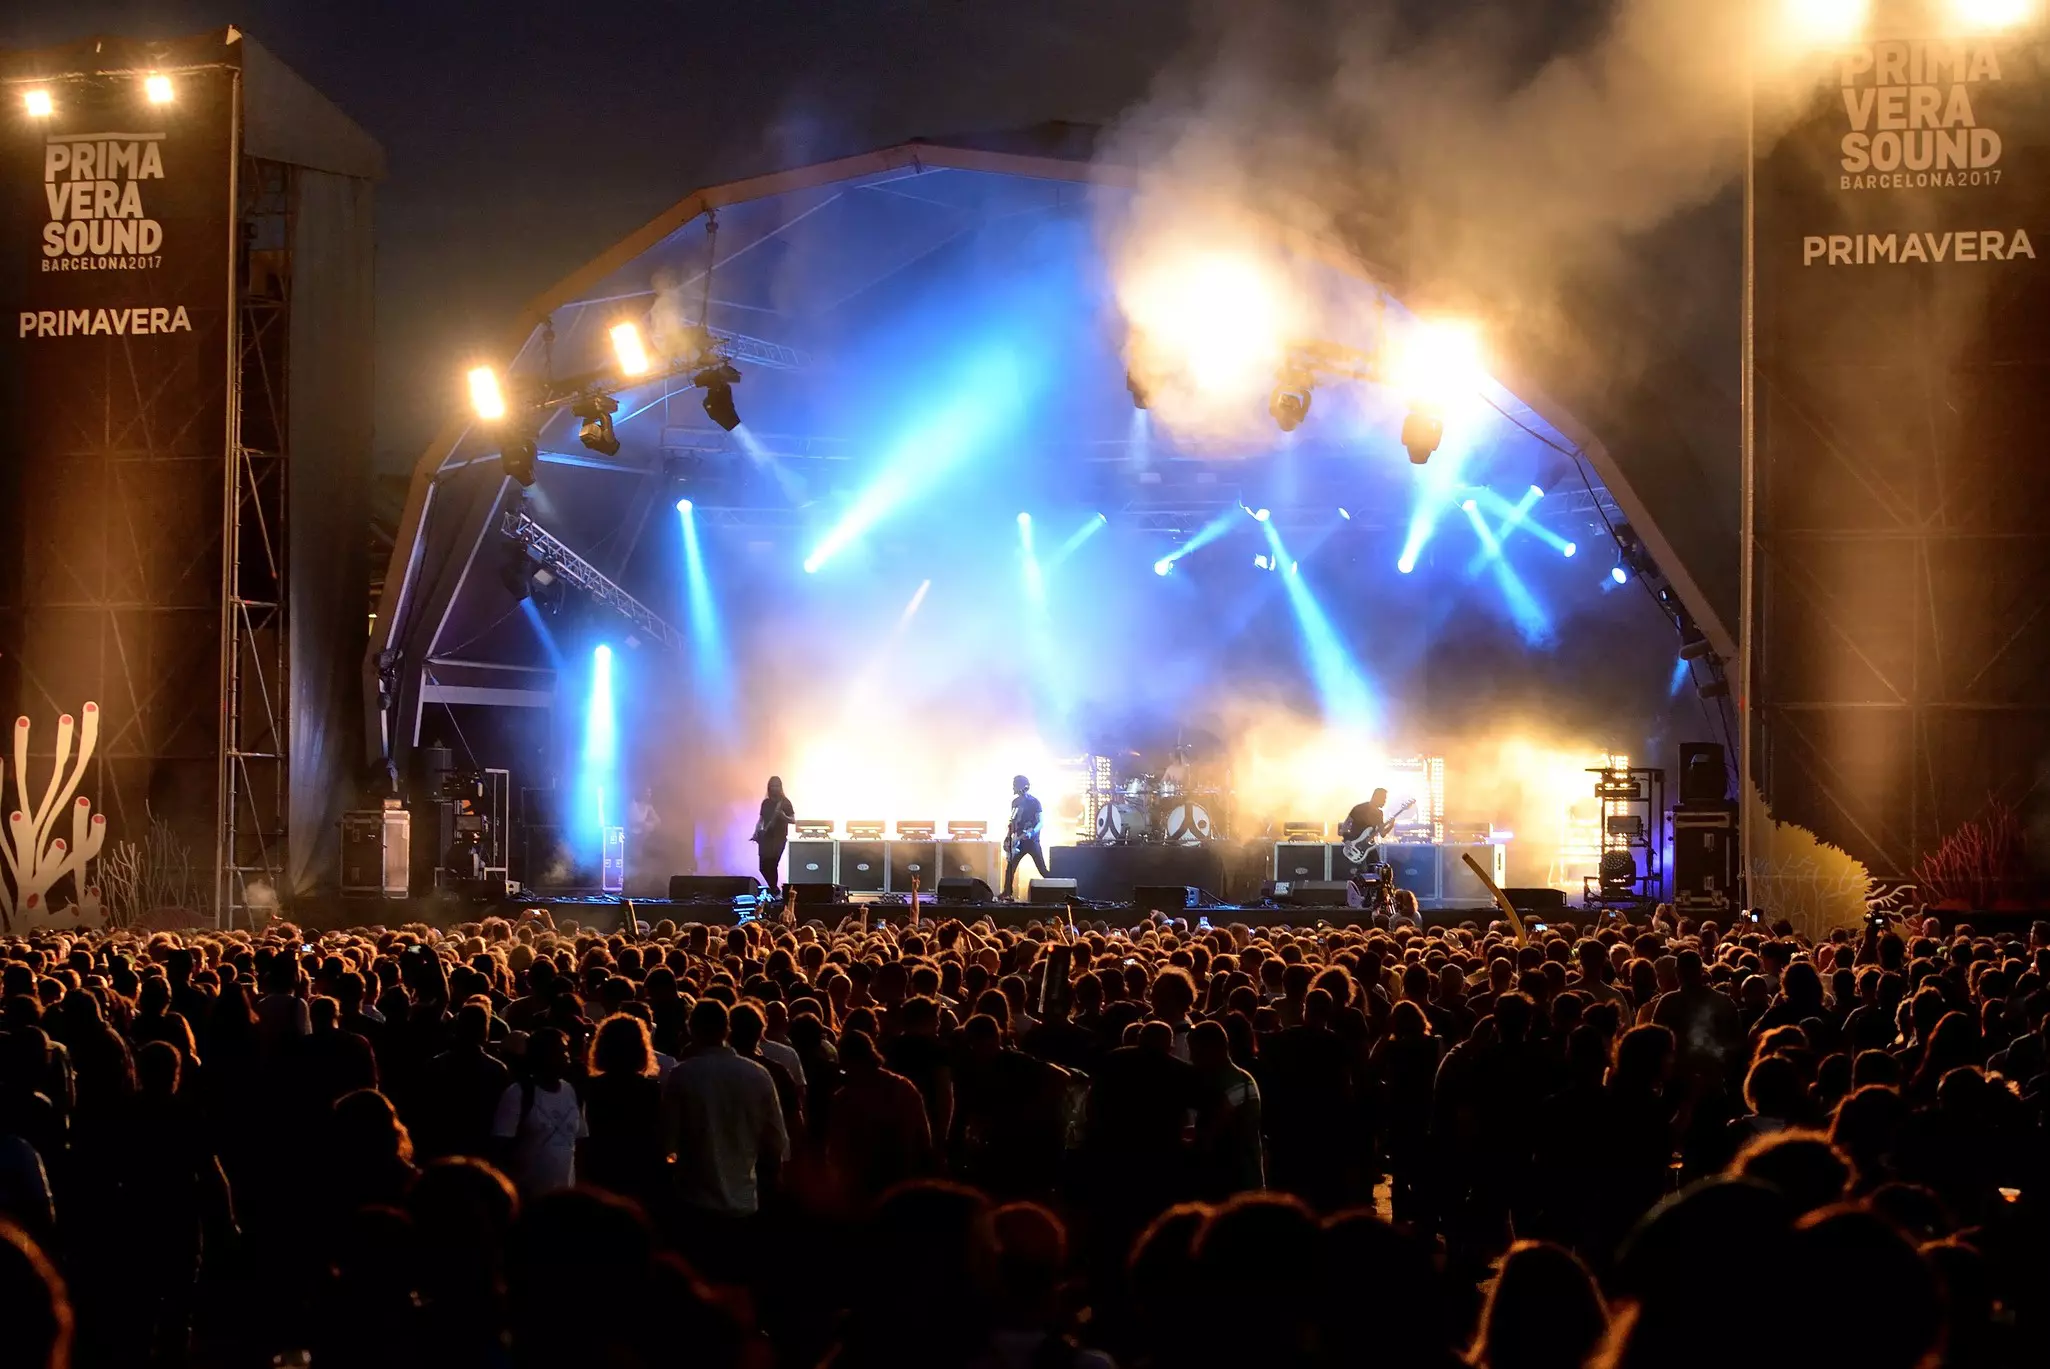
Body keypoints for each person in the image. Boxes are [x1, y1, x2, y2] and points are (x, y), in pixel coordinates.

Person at [662, 998, 788, 1259]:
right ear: (726, 1029)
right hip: (745, 1200)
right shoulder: (758, 1074)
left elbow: (667, 1142)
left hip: (694, 1200)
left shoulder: (682, 1075)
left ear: (691, 1028)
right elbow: (776, 1141)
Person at [489, 1027, 585, 1198]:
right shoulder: (518, 1093)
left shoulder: (571, 1091)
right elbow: (500, 1146)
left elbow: (580, 1142)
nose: (567, 1057)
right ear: (544, 1055)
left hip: (565, 1197)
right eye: (561, 1051)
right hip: (528, 1198)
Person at [1001, 774, 1046, 901]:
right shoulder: (1015, 802)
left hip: (1032, 842)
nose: (1013, 787)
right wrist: (1008, 837)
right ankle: (1007, 893)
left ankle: (1058, 889)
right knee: (1010, 868)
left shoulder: (1034, 802)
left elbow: (1040, 822)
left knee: (1042, 869)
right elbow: (1013, 822)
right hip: (1018, 841)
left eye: (1015, 784)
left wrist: (1031, 833)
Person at [750, 775, 797, 894]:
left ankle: (774, 891)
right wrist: (756, 832)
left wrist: (783, 816)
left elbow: (793, 820)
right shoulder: (765, 803)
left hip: (779, 838)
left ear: (780, 787)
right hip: (765, 838)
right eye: (772, 786)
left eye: (777, 786)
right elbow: (761, 820)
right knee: (762, 867)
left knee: (772, 865)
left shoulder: (785, 803)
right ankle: (774, 889)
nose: (774, 788)